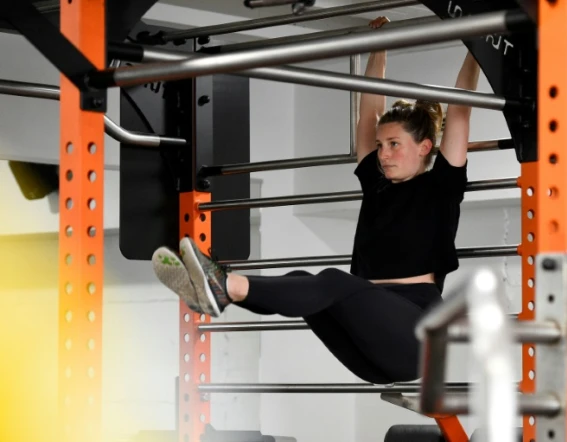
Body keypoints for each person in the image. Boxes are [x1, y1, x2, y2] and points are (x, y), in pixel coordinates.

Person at [152, 16, 480, 385]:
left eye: (393, 145)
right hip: (368, 350)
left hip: (416, 334)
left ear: (423, 148)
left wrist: (477, 49)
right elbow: (369, 111)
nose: (383, 154)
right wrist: (379, 48)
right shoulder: (376, 184)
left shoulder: (442, 186)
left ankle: (223, 286)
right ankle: (220, 293)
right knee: (302, 281)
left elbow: (460, 111)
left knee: (332, 283)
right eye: (380, 146)